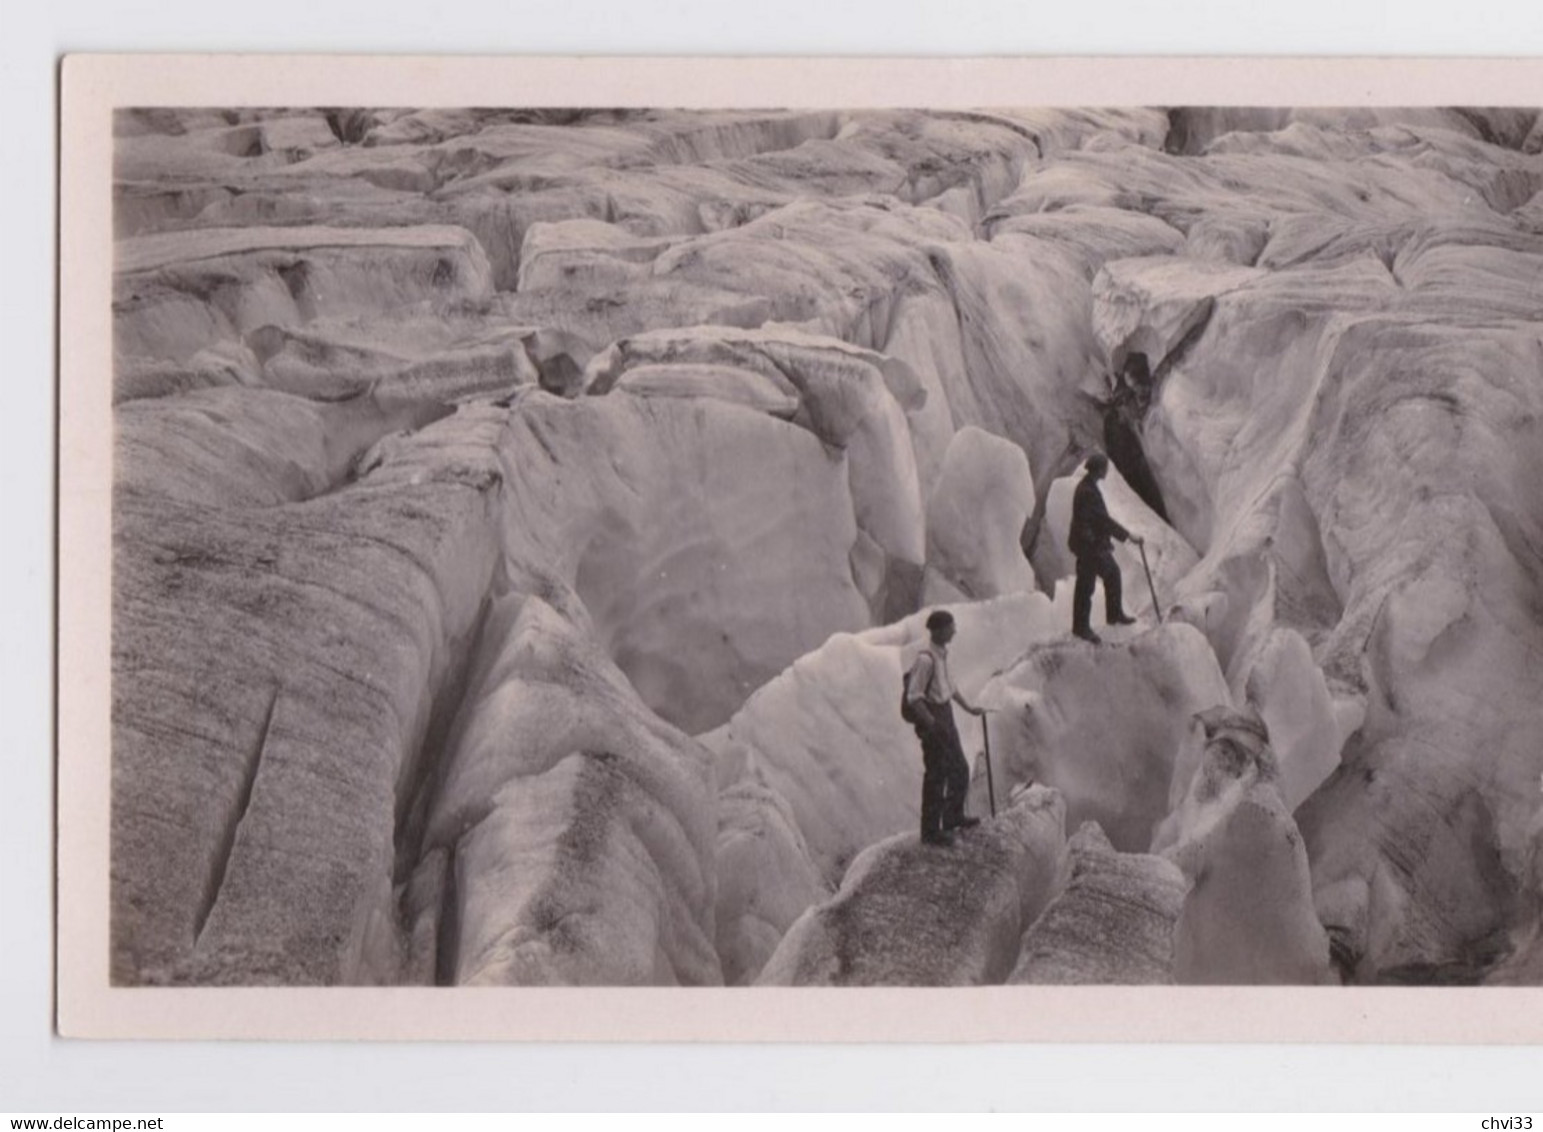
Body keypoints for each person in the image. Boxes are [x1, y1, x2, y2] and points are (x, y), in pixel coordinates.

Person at [905, 610, 986, 847]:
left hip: (946, 716)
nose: (954, 631)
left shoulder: (942, 656)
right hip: (933, 720)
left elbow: (950, 688)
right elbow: (914, 697)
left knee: (959, 768)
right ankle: (930, 832)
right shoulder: (925, 660)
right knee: (936, 776)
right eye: (951, 627)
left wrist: (969, 708)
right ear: (938, 630)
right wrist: (931, 724)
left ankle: (952, 817)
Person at [1068, 452, 1143, 645]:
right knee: (1086, 586)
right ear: (1099, 469)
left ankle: (1114, 614)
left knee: (1111, 574)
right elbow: (1103, 521)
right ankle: (1081, 627)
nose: (1107, 470)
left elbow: (1098, 521)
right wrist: (1128, 536)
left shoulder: (1088, 486)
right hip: (1088, 547)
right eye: (1105, 467)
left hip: (1091, 545)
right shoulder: (1087, 491)